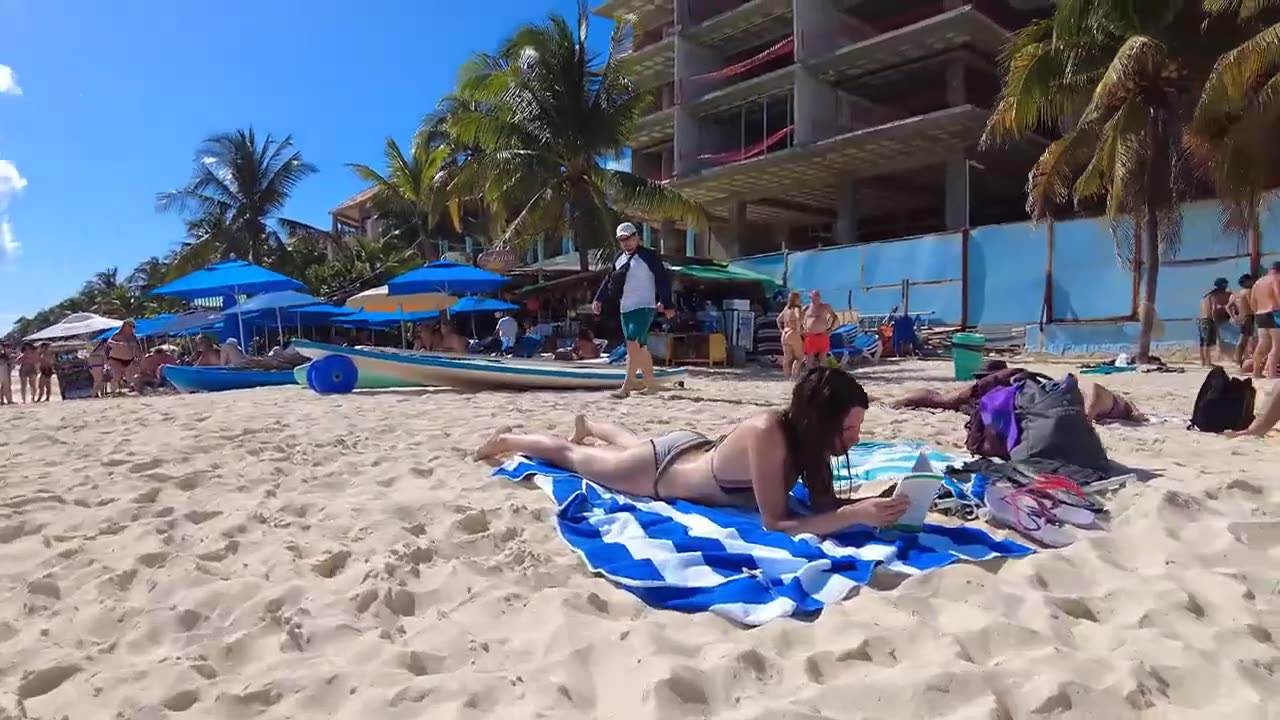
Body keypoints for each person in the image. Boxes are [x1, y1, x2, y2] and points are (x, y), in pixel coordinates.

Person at [475, 367, 912, 534]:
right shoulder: (769, 434)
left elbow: (822, 506)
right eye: (850, 428)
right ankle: (507, 439)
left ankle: (591, 425)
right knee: (574, 459)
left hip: (692, 450)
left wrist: (874, 502)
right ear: (822, 419)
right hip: (662, 473)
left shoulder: (806, 442)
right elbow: (775, 522)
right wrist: (853, 516)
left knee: (631, 446)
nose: (856, 437)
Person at [592, 221, 674, 398]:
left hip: (644, 306)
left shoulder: (649, 256)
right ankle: (651, 385)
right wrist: (598, 299)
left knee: (632, 345)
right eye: (622, 240)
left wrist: (667, 304)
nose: (626, 242)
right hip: (626, 308)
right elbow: (609, 280)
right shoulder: (620, 258)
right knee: (640, 347)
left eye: (629, 238)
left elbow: (662, 280)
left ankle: (626, 387)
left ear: (637, 237)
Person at [1251, 262, 1280, 379]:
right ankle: (1271, 374)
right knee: (1277, 346)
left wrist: (1256, 312)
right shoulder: (1277, 279)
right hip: (1275, 313)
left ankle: (1256, 372)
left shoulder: (1258, 283)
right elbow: (1278, 295)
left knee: (1262, 345)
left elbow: (1253, 302)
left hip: (1260, 314)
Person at [1198, 277, 1233, 367]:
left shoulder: (1206, 295)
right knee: (1207, 343)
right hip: (1208, 320)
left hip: (1202, 319)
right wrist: (1215, 320)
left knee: (1203, 342)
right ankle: (1208, 362)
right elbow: (1214, 309)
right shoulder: (1213, 296)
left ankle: (1203, 362)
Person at [801, 290, 838, 368]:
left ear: (820, 297)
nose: (816, 299)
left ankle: (824, 376)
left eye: (817, 296)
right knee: (809, 358)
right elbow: (798, 320)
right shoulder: (806, 308)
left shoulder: (825, 307)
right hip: (810, 336)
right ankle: (810, 376)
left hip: (822, 335)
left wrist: (831, 328)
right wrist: (802, 330)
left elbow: (834, 317)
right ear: (811, 297)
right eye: (814, 297)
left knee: (822, 357)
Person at [1228, 274, 1256, 368]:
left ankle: (1238, 359)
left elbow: (1228, 306)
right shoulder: (1248, 291)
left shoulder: (1236, 294)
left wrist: (1234, 317)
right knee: (1247, 339)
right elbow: (1252, 304)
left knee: (1244, 339)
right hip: (1249, 317)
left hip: (1242, 317)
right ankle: (1240, 359)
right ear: (1247, 281)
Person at [776, 291, 805, 381]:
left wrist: (781, 329)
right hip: (793, 332)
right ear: (796, 299)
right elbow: (797, 317)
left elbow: (778, 319)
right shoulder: (796, 308)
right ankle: (794, 377)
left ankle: (786, 377)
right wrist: (798, 329)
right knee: (799, 357)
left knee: (787, 357)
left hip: (785, 333)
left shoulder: (786, 309)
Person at [107, 320, 143, 393]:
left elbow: (137, 348)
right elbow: (109, 342)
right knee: (116, 376)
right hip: (116, 359)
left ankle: (135, 390)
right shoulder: (117, 335)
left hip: (129, 359)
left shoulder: (133, 337)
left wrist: (139, 358)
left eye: (133, 327)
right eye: (130, 326)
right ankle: (113, 391)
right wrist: (119, 344)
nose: (131, 328)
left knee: (131, 376)